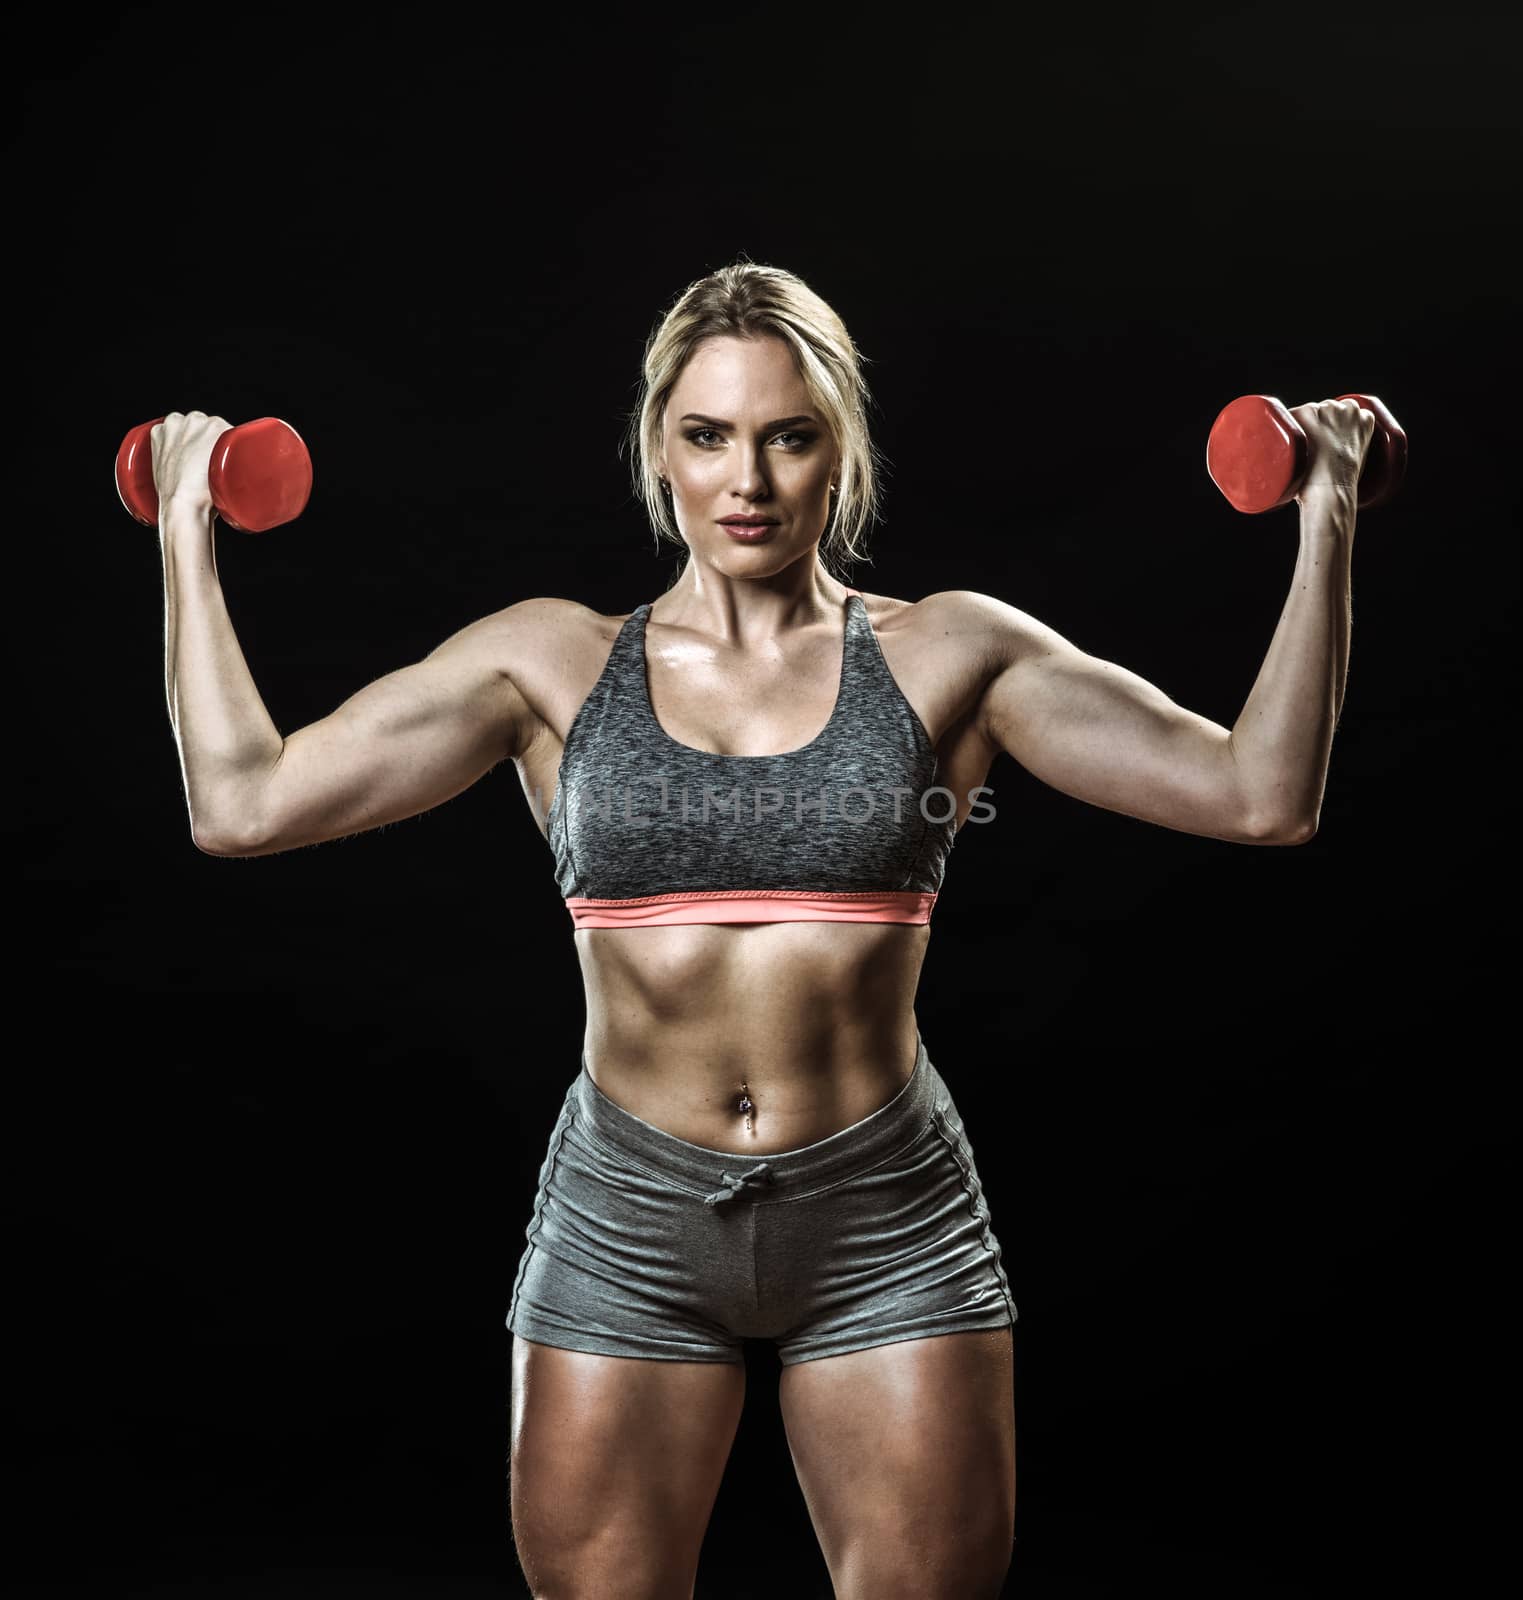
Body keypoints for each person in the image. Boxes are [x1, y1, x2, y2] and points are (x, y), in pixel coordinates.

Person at [150, 260, 1368, 1600]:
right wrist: (186, 538)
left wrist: (1327, 522)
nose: (749, 482)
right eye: (708, 436)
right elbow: (244, 803)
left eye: (788, 437)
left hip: (883, 1216)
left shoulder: (949, 652)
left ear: (837, 446)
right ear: (656, 448)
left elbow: (1261, 797)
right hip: (627, 1216)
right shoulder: (549, 664)